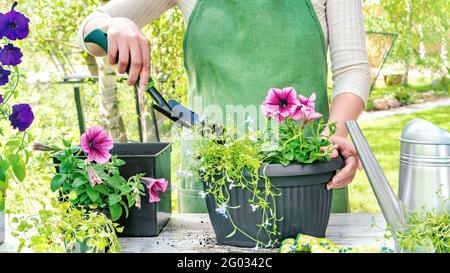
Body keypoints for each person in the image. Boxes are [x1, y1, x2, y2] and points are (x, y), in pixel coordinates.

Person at [78, 0, 369, 212]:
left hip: (306, 174)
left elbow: (353, 70)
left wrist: (337, 133)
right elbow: (90, 28)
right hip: (214, 177)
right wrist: (116, 24)